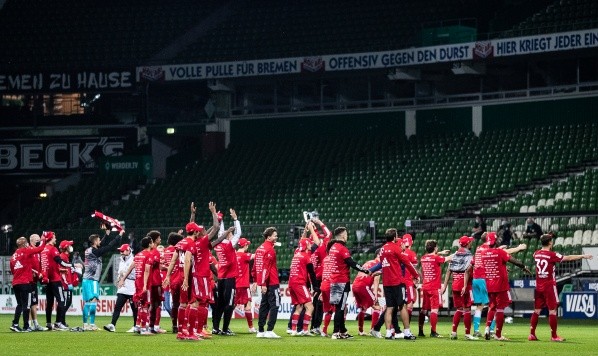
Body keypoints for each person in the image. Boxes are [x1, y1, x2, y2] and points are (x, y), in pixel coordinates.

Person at [529, 233, 593, 342]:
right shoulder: (552, 255)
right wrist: (582, 256)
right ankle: (554, 336)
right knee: (552, 311)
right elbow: (568, 258)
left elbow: (536, 256)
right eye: (551, 240)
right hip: (549, 286)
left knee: (536, 311)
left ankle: (532, 334)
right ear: (550, 243)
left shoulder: (536, 253)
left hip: (538, 286)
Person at [471, 232, 526, 337]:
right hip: (489, 279)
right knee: (498, 306)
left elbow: (475, 263)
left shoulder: (479, 249)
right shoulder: (495, 250)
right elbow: (504, 253)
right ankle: (493, 331)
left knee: (481, 306)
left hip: (477, 278)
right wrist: (518, 248)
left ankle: (477, 330)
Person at [370, 229, 419, 340]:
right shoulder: (396, 249)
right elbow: (407, 263)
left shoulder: (382, 250)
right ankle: (407, 332)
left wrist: (370, 270)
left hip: (387, 283)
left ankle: (388, 333)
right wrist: (416, 276)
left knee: (390, 307)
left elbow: (382, 264)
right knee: (402, 306)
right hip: (397, 281)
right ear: (394, 237)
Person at [327, 226, 372, 340]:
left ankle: (342, 331)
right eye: (346, 233)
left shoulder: (332, 247)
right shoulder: (342, 249)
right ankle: (336, 332)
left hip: (334, 281)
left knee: (338, 307)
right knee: (340, 308)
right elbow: (352, 263)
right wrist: (365, 270)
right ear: (342, 235)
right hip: (342, 282)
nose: (347, 236)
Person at [82, 225, 123, 330]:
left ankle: (86, 324)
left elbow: (102, 244)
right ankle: (91, 324)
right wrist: (119, 235)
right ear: (95, 241)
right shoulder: (95, 252)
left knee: (88, 302)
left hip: (86, 279)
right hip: (92, 280)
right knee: (94, 300)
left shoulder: (90, 250)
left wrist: (107, 234)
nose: (100, 241)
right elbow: (108, 247)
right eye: (99, 239)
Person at [212, 209, 242, 336]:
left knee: (220, 304)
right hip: (229, 278)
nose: (230, 234)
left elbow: (220, 231)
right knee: (229, 304)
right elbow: (239, 233)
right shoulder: (229, 244)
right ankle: (225, 329)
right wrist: (236, 219)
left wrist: (220, 218)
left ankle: (215, 328)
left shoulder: (217, 245)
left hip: (221, 277)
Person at [442, 236, 477, 340]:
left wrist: (444, 285)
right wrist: (465, 285)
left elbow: (449, 270)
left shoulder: (455, 254)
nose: (471, 243)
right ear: (467, 244)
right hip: (465, 285)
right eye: (470, 242)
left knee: (459, 309)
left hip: (455, 285)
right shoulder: (469, 255)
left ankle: (453, 332)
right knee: (467, 309)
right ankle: (467, 334)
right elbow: (467, 270)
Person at [10, 236, 46, 332]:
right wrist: (43, 239)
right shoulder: (26, 251)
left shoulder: (13, 256)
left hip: (15, 282)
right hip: (25, 282)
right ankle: (26, 326)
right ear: (25, 244)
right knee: (26, 305)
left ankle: (15, 324)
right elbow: (40, 248)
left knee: (20, 304)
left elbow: (12, 270)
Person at [418, 239, 451, 337]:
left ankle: (420, 331)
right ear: (435, 248)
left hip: (425, 286)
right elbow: (447, 259)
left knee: (424, 310)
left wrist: (440, 252)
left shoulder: (423, 258)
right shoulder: (436, 258)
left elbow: (430, 255)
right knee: (434, 310)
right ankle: (433, 331)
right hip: (434, 287)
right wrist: (457, 253)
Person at [41, 231, 73, 331]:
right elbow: (60, 262)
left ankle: (48, 323)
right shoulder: (52, 249)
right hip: (55, 279)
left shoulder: (43, 249)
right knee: (62, 300)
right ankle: (58, 323)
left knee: (49, 302)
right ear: (50, 238)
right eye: (54, 237)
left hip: (47, 279)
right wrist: (72, 265)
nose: (55, 239)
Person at [254, 227, 282, 339]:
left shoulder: (259, 248)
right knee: (275, 305)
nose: (276, 237)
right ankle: (270, 330)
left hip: (264, 281)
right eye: (275, 235)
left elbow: (256, 267)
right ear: (268, 237)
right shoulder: (269, 250)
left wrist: (258, 281)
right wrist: (264, 284)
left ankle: (260, 330)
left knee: (264, 306)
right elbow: (265, 268)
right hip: (272, 281)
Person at [104, 244, 137, 333]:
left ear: (128, 251)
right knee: (117, 307)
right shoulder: (121, 260)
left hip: (132, 287)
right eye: (120, 251)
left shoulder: (134, 259)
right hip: (123, 287)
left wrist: (124, 275)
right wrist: (119, 279)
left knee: (134, 308)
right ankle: (112, 325)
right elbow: (120, 272)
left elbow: (134, 274)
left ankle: (135, 326)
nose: (121, 252)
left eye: (123, 251)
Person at [289, 238, 318, 336]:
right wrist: (315, 287)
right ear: (306, 245)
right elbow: (312, 272)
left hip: (291, 283)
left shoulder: (296, 255)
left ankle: (293, 330)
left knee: (298, 307)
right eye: (309, 243)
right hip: (299, 283)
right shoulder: (306, 257)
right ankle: (305, 330)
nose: (311, 245)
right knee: (310, 307)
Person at [308, 217, 331, 335]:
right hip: (322, 277)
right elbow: (329, 233)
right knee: (320, 302)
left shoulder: (312, 250)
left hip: (315, 277)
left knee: (316, 302)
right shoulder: (321, 249)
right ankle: (315, 326)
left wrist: (312, 227)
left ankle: (313, 326)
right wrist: (320, 223)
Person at [352, 249, 380, 336]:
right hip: (363, 286)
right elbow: (376, 279)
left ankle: (361, 331)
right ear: (379, 255)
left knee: (363, 309)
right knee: (377, 307)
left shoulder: (368, 262)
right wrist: (375, 294)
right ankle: (373, 330)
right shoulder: (378, 264)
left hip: (355, 285)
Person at [132, 236, 155, 335]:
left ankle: (137, 326)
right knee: (146, 305)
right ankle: (144, 329)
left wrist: (123, 278)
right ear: (150, 244)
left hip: (137, 282)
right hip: (145, 283)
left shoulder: (138, 255)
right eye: (152, 242)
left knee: (141, 305)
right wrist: (145, 285)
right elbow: (146, 271)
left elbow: (131, 267)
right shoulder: (149, 255)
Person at [162, 232, 183, 333]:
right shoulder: (178, 250)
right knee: (184, 304)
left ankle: (174, 325)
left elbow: (164, 265)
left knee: (175, 305)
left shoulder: (165, 251)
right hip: (180, 279)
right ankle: (184, 325)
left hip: (171, 281)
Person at [235, 237, 255, 333]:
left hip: (234, 285)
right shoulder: (244, 255)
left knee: (230, 306)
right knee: (248, 305)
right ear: (245, 245)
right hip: (243, 285)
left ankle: (224, 327)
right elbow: (256, 256)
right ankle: (251, 327)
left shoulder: (233, 255)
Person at [147, 230, 166, 334]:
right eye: (159, 238)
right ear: (155, 239)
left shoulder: (149, 251)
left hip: (153, 281)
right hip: (155, 282)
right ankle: (151, 326)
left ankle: (151, 326)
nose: (160, 239)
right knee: (155, 304)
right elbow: (153, 266)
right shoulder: (154, 252)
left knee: (154, 305)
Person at [27, 233, 46, 331]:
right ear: (32, 240)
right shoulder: (29, 250)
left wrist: (41, 273)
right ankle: (29, 324)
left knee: (34, 303)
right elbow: (27, 266)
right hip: (29, 281)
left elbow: (39, 265)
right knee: (29, 303)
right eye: (37, 239)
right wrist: (36, 273)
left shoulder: (37, 252)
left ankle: (35, 324)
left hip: (34, 281)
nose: (39, 241)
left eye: (39, 239)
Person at [58, 240, 76, 327]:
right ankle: (60, 321)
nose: (70, 247)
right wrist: (67, 283)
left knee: (67, 302)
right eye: (69, 245)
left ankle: (62, 321)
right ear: (66, 247)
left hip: (67, 282)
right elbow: (59, 269)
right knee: (66, 302)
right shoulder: (62, 256)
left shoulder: (66, 256)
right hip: (65, 283)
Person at [402, 233, 418, 323]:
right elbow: (414, 268)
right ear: (412, 242)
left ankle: (392, 329)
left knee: (399, 305)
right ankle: (407, 328)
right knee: (410, 305)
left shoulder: (399, 252)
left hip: (399, 282)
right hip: (408, 282)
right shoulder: (412, 254)